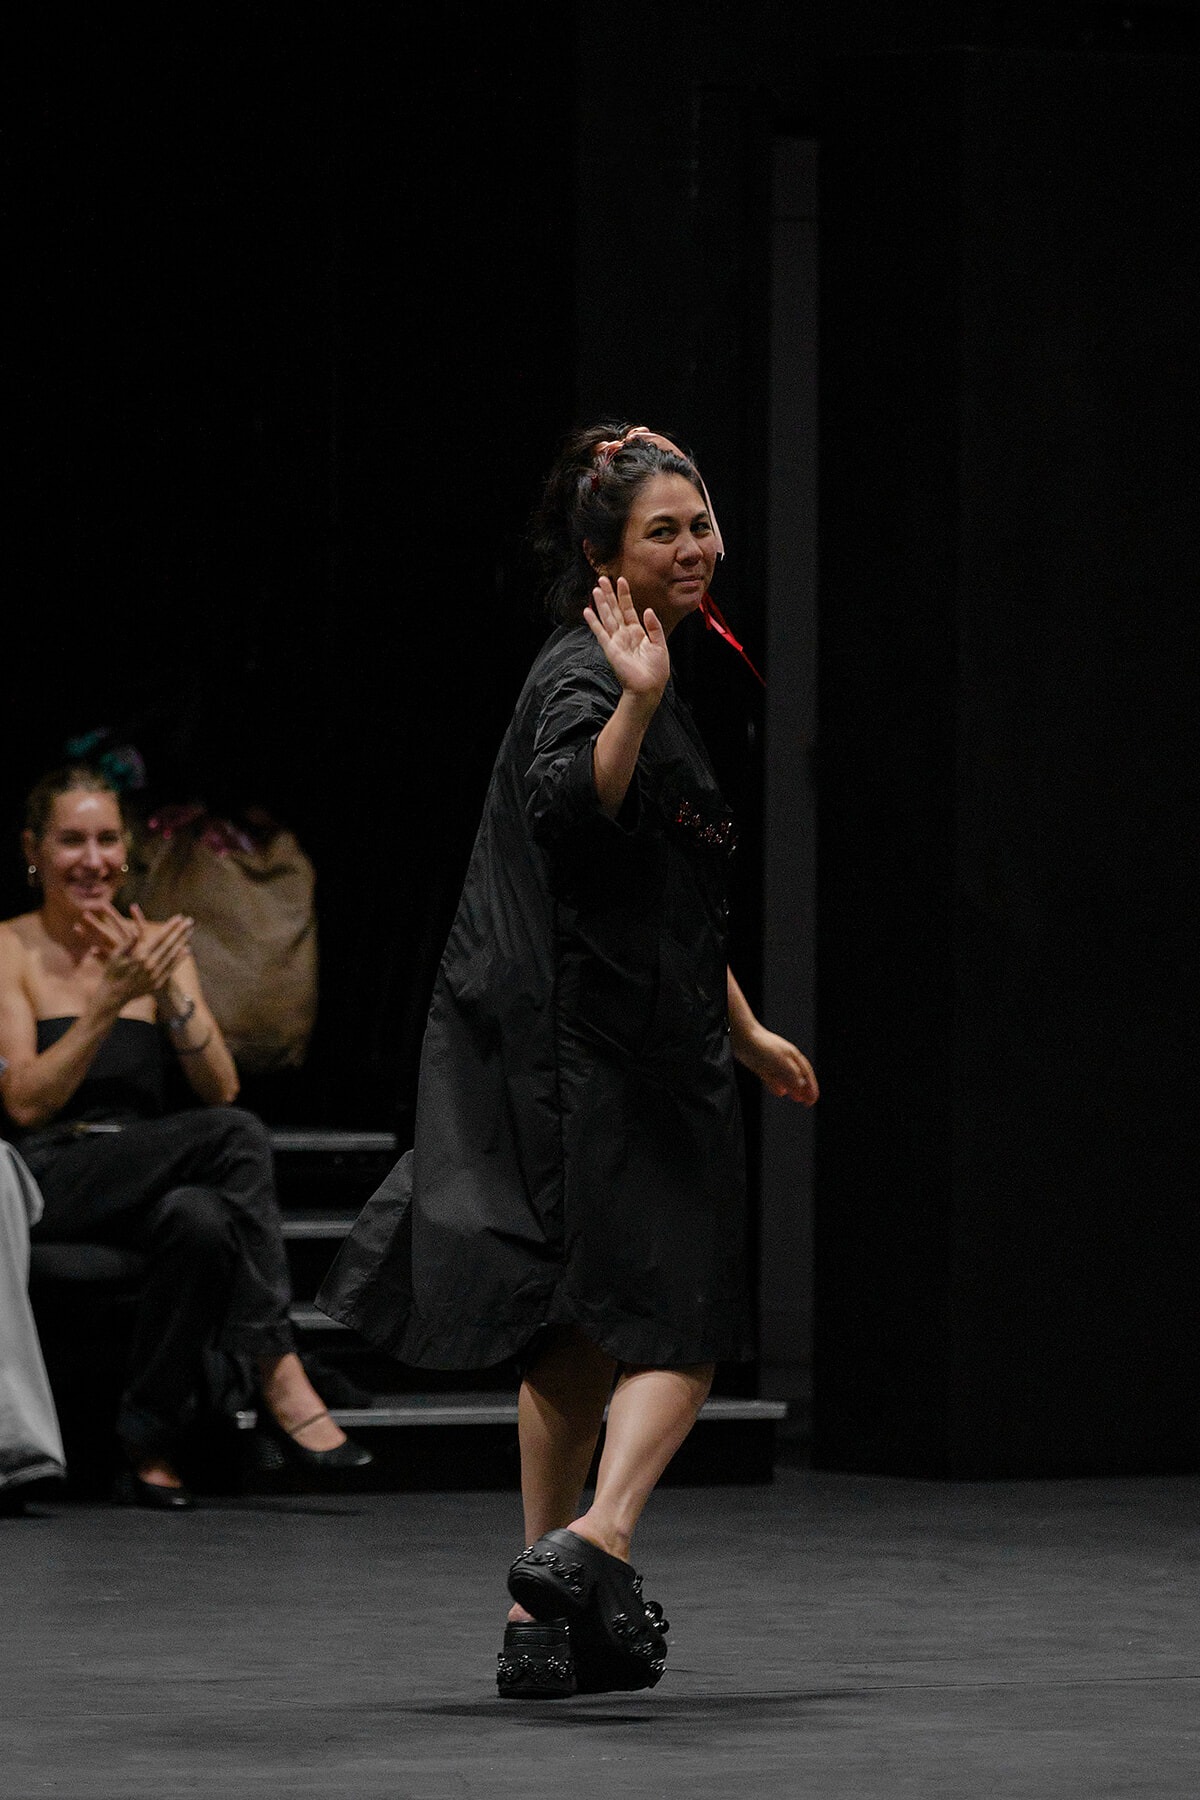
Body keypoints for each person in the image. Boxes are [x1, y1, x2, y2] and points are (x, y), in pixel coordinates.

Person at [318, 422, 818, 1697]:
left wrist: (746, 1027)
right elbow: (569, 804)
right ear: (606, 556)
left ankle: (536, 1619)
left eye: (702, 523)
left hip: (626, 1032)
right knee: (684, 1325)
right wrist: (636, 701)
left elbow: (650, 888)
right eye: (665, 531)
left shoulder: (629, 657)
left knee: (580, 1337)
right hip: (614, 1058)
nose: (696, 547)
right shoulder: (592, 671)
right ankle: (598, 1540)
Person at [0, 765, 371, 1509]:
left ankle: (145, 1441)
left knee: (200, 1219)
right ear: (34, 852)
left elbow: (220, 1087)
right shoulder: (10, 947)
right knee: (233, 1138)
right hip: (46, 1177)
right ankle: (274, 1359)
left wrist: (169, 990)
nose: (94, 859)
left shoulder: (156, 944)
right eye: (72, 841)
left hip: (145, 1172)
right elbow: (26, 1101)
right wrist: (107, 1002)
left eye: (108, 840)